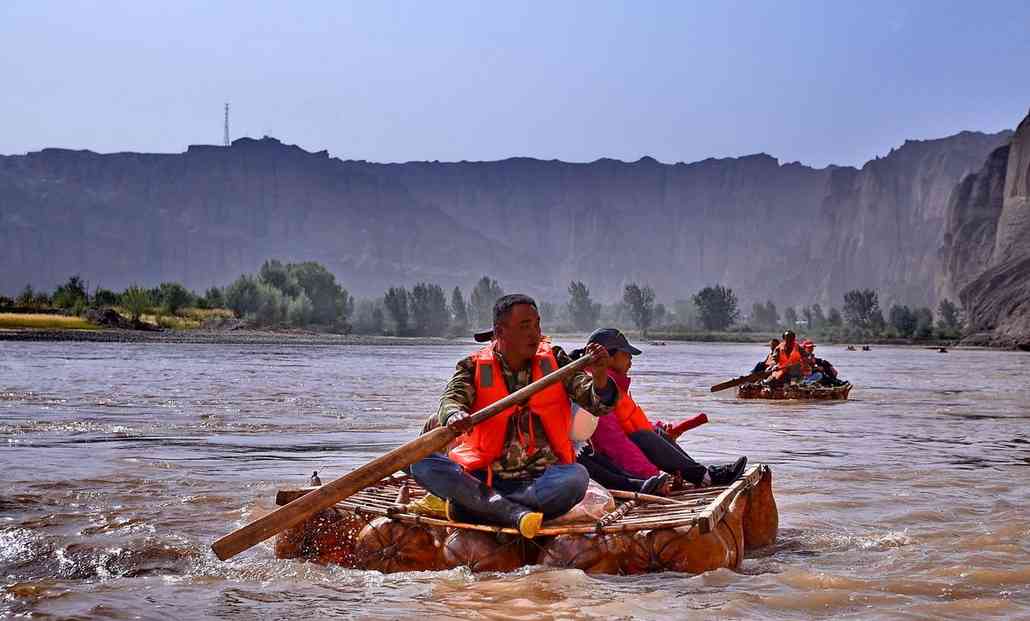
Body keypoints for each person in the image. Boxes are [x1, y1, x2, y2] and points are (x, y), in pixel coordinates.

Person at [409, 294, 617, 539]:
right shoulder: (473, 367)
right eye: (525, 326)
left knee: (577, 478)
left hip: (540, 480)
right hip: (484, 477)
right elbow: (450, 400)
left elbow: (597, 403)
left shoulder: (556, 361)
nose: (535, 333)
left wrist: (601, 376)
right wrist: (455, 416)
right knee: (422, 463)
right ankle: (511, 513)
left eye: (537, 324)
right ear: (500, 331)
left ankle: (478, 506)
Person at [575, 328, 748, 488]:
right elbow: (612, 441)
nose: (631, 359)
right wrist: (650, 475)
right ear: (608, 357)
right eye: (626, 354)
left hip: (621, 455)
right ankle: (705, 476)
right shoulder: (596, 387)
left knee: (655, 432)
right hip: (613, 465)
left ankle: (704, 475)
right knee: (645, 436)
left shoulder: (613, 384)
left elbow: (632, 422)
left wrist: (661, 428)